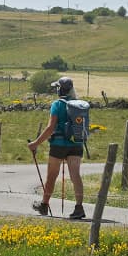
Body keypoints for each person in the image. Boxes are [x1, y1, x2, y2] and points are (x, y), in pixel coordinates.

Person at [27, 76, 86, 219]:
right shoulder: (79, 105)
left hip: (58, 145)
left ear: (60, 89)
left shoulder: (57, 105)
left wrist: (35, 143)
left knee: (52, 175)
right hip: (76, 144)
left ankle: (44, 205)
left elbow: (50, 128)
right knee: (75, 176)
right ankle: (79, 208)